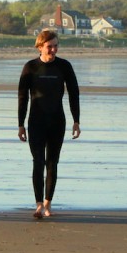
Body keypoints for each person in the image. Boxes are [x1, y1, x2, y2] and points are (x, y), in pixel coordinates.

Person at [18, 30, 81, 218]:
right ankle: (38, 204)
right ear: (40, 47)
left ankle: (47, 204)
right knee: (38, 162)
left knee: (52, 162)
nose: (53, 49)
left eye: (55, 46)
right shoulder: (30, 67)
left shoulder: (64, 66)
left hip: (57, 121)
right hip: (36, 121)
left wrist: (76, 120)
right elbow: (22, 97)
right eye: (49, 46)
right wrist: (20, 124)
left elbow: (74, 94)